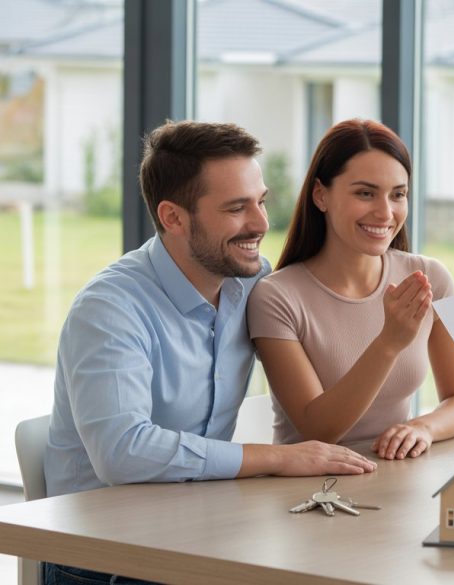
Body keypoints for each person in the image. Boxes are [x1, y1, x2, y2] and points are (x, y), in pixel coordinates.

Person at [44, 121, 376, 584]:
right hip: (108, 562)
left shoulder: (250, 282)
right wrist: (277, 458)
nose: (261, 223)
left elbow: (322, 377)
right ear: (173, 217)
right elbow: (123, 452)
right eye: (237, 208)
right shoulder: (110, 309)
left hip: (199, 532)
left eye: (261, 201)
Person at [247, 119, 454, 460]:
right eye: (365, 193)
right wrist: (389, 342)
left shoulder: (429, 278)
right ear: (320, 195)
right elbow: (318, 429)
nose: (385, 212)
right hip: (309, 488)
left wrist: (423, 427)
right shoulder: (276, 297)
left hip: (395, 477)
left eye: (398, 195)